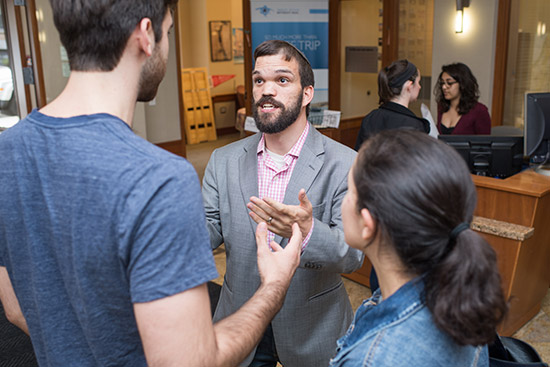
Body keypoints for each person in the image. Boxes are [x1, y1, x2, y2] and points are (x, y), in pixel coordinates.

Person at [0, 1, 303, 366]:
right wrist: (274, 286)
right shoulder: (160, 179)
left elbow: (16, 308)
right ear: (146, 35)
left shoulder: (6, 152)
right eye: (168, 32)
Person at [202, 39, 364, 367]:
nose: (267, 90)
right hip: (242, 320)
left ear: (307, 94)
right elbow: (205, 230)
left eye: (282, 80)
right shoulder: (224, 160)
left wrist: (307, 232)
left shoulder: (346, 163)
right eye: (259, 80)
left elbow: (352, 255)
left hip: (313, 327)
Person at [329, 130, 507, 367]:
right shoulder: (460, 296)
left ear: (367, 225)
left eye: (349, 191)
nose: (343, 200)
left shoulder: (372, 359)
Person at [355, 59, 430, 150]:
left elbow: (359, 157)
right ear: (409, 86)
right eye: (418, 82)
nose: (419, 86)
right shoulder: (414, 125)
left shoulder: (371, 118)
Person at [435, 62, 491, 135]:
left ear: (462, 84)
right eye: (442, 83)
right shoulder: (442, 106)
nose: (444, 87)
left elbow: (484, 143)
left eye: (449, 83)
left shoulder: (480, 111)